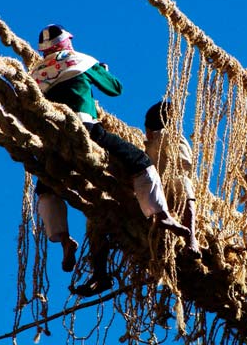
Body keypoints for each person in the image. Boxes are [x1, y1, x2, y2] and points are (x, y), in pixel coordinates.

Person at [29, 24, 191, 296]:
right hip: (86, 128)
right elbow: (115, 89)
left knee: (47, 186)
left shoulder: (35, 74)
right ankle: (160, 214)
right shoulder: (79, 60)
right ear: (66, 43)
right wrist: (101, 70)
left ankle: (63, 239)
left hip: (54, 138)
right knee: (140, 162)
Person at [144, 101, 202, 259]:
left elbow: (185, 164)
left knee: (182, 182)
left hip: (169, 187)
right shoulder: (148, 147)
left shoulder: (167, 135)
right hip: (158, 190)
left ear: (149, 128)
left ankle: (191, 239)